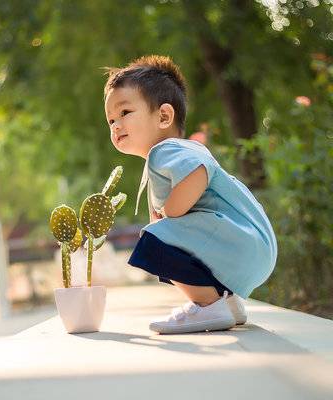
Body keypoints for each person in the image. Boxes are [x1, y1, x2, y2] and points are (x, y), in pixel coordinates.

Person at [103, 55, 277, 334]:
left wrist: (172, 213)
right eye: (111, 119)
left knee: (152, 241)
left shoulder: (166, 150)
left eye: (125, 113)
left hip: (240, 244)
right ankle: (227, 303)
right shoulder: (169, 156)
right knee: (162, 235)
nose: (115, 125)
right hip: (249, 247)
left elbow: (200, 169)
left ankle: (209, 306)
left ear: (163, 116)